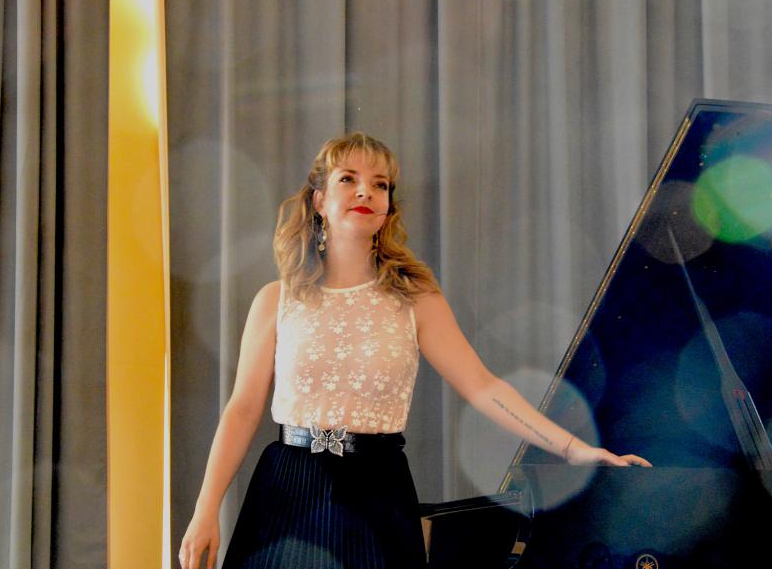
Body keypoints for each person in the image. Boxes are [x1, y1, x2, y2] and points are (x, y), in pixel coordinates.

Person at [179, 132, 651, 569]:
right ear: (320, 200)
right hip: (287, 487)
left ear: (388, 207)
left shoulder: (416, 299)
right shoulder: (275, 300)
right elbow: (242, 410)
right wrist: (205, 511)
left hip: (377, 492)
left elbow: (484, 387)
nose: (365, 192)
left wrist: (574, 448)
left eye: (379, 184)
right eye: (349, 179)